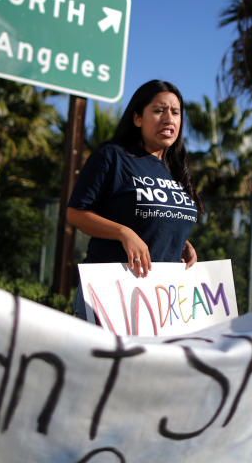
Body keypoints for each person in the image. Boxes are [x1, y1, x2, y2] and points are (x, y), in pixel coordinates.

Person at [66, 80, 203, 321]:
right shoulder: (113, 157)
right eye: (159, 110)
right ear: (138, 118)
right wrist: (123, 233)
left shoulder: (176, 169)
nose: (169, 118)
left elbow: (154, 219)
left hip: (160, 304)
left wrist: (181, 241)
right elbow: (76, 213)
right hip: (109, 297)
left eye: (175, 112)